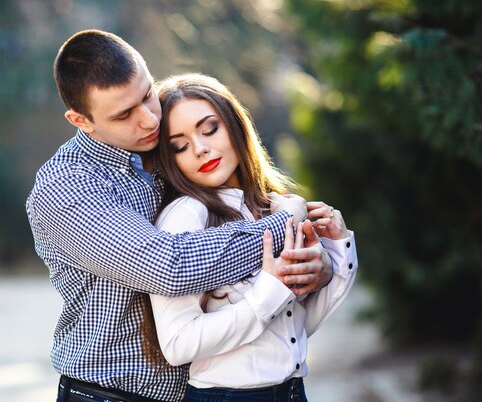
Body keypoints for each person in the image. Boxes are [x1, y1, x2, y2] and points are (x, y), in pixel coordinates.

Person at [25, 29, 334, 402]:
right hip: (112, 395)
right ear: (81, 120)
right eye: (124, 114)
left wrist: (316, 265)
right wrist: (286, 228)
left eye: (147, 95)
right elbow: (170, 267)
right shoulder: (67, 188)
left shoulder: (167, 151)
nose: (148, 119)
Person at [143, 73, 358, 402]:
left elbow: (294, 330)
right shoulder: (186, 215)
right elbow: (177, 344)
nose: (200, 149)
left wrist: (338, 253)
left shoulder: (272, 207)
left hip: (291, 391)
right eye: (181, 145)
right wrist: (269, 291)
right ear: (170, 159)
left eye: (210, 128)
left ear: (235, 125)